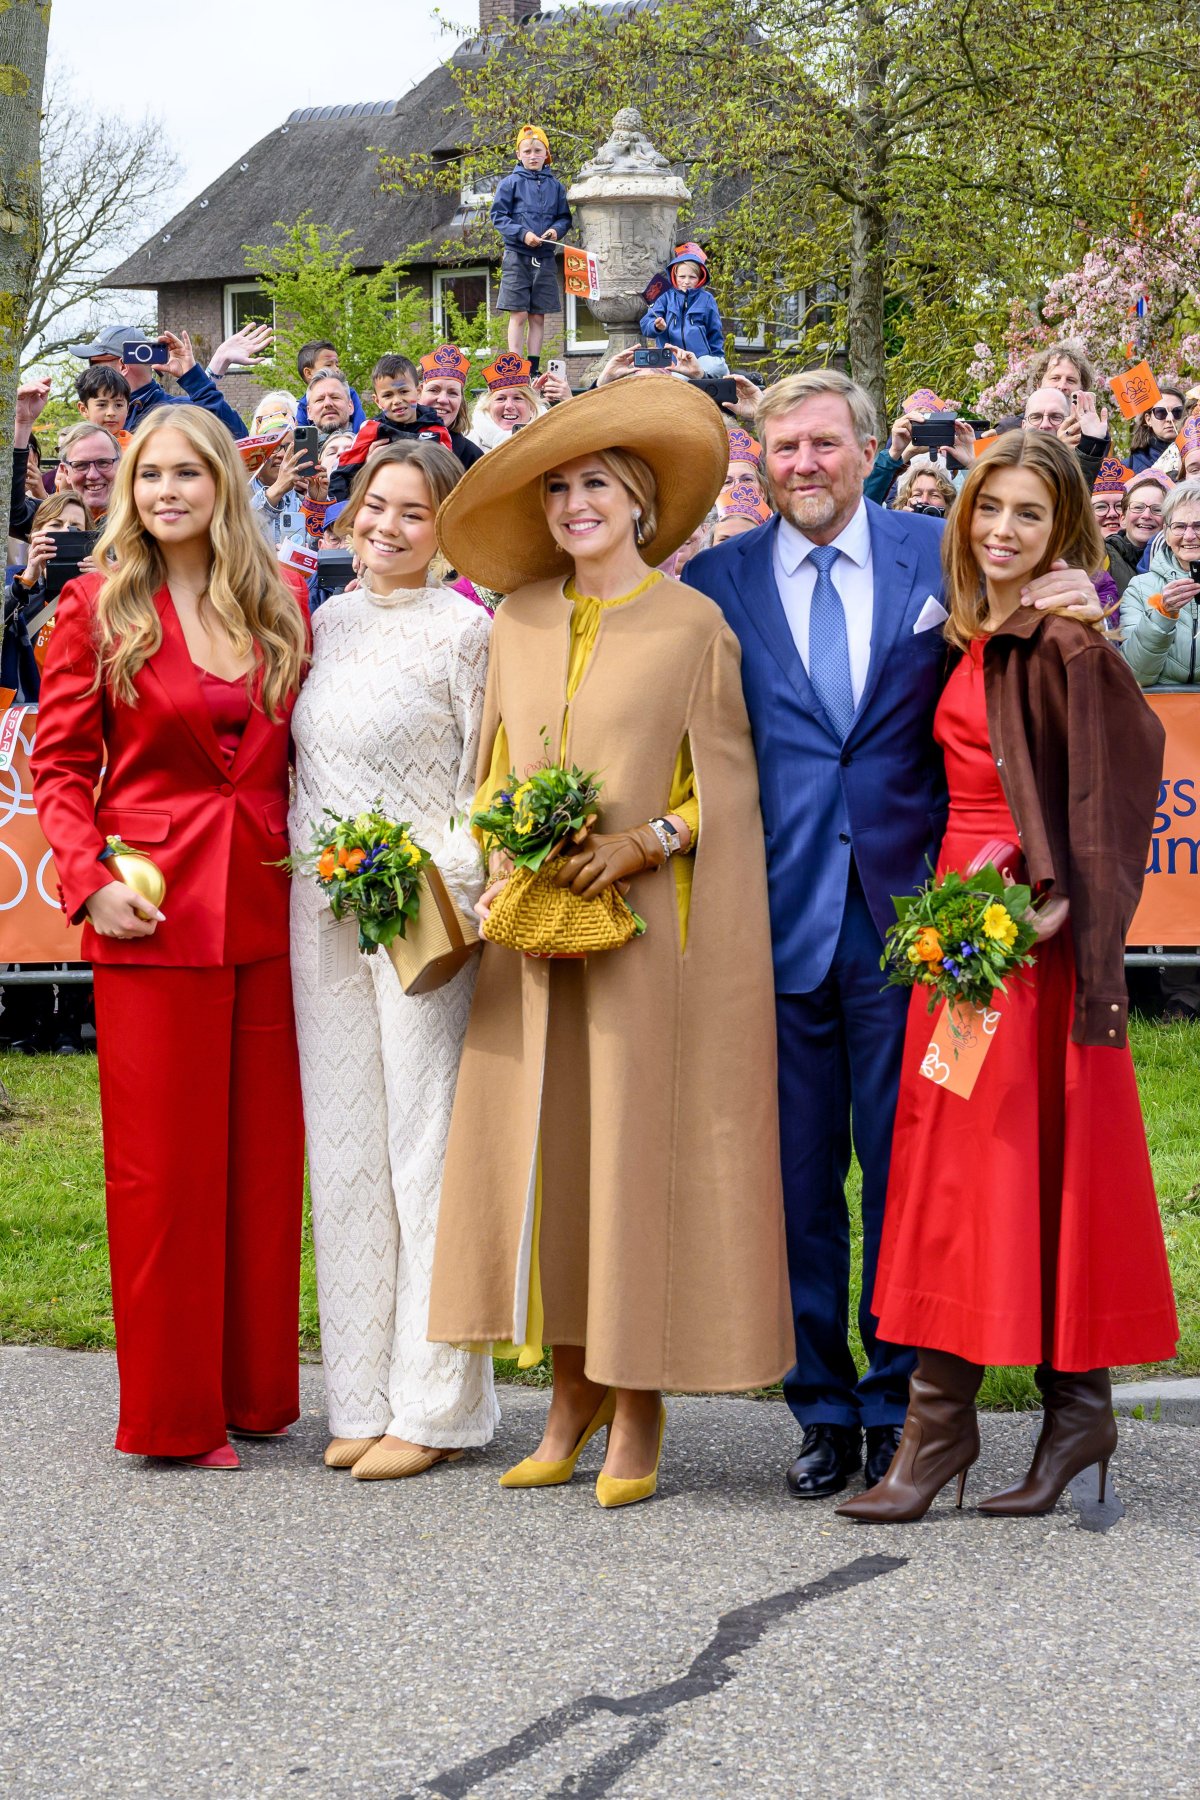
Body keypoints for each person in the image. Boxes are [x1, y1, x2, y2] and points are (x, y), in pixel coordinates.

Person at [685, 370, 1108, 1501]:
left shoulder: (945, 556)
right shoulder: (719, 582)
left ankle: (903, 1408)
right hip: (773, 931)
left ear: (869, 449)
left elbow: (1027, 652)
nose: (804, 464)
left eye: (825, 443)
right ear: (760, 460)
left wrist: (1079, 597)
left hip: (917, 939)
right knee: (797, 1185)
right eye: (783, 448)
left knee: (911, 1177)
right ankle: (821, 1404)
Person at [428, 378, 792, 1509]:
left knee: (632, 1161)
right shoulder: (521, 621)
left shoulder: (694, 627)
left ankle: (639, 1403)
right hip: (532, 944)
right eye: (559, 488)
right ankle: (570, 1393)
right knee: (553, 1161)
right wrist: (504, 855)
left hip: (643, 947)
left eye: (596, 484)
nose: (576, 504)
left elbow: (725, 792)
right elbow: (490, 769)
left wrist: (643, 841)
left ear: (638, 501)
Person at [839, 431, 1176, 1523]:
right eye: (989, 510)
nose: (1002, 532)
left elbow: (1118, 793)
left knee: (1004, 1165)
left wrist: (1057, 908)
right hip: (959, 938)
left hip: (1018, 947)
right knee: (959, 1169)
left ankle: (1026, 1418)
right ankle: (978, 1423)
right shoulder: (974, 635)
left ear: (1064, 529)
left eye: (1029, 515)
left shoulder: (1071, 644)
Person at [30, 405, 310, 1470]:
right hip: (148, 915)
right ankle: (172, 1418)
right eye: (150, 477)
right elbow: (59, 770)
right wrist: (87, 879)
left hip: (273, 912)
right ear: (127, 491)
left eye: (189, 474)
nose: (168, 493)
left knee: (259, 1168)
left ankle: (251, 1396)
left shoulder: (283, 600)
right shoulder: (96, 606)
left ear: (223, 486)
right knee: (162, 1177)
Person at [289, 441, 498, 1480]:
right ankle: (359, 1393)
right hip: (319, 914)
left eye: (414, 514)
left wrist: (424, 872)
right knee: (347, 1149)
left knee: (427, 1151)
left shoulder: (469, 635)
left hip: (423, 917)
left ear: (445, 528)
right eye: (376, 507)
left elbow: (488, 791)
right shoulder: (323, 624)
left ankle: (434, 1402)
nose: (387, 528)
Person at [328, 356, 477, 500]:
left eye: (403, 392)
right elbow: (343, 473)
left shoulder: (436, 430)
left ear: (418, 391)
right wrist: (339, 515)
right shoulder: (371, 429)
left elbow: (449, 480)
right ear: (377, 401)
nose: (397, 401)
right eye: (388, 395)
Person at [67, 326, 247, 440]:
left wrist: (193, 376)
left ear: (122, 365)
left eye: (94, 363)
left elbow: (238, 439)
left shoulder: (175, 412)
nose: (89, 372)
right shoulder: (100, 413)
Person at [490, 124, 572, 373]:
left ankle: (533, 368)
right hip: (517, 255)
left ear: (546, 154)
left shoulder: (556, 186)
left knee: (538, 316)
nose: (532, 155)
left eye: (538, 150)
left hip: (545, 257)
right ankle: (515, 366)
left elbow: (564, 218)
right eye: (527, 151)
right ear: (519, 154)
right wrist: (523, 234)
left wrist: (555, 231)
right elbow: (498, 216)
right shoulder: (509, 184)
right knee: (519, 314)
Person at [1120, 477, 1200, 687]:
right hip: (1163, 712)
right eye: (1179, 526)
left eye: (1199, 526)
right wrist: (1162, 616)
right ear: (1165, 532)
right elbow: (1135, 674)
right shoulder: (1139, 587)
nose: (1189, 536)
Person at [639, 243, 728, 377]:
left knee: (719, 368)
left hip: (701, 360)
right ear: (674, 276)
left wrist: (717, 358)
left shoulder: (707, 299)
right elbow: (646, 325)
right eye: (682, 277)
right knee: (679, 378)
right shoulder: (664, 296)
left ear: (700, 278)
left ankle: (703, 375)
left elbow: (714, 332)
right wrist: (656, 326)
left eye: (692, 277)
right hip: (671, 361)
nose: (686, 281)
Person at [419, 343, 485, 467]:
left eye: (452, 393)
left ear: (460, 401)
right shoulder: (387, 440)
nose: (443, 399)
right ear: (418, 393)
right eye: (434, 390)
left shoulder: (473, 457)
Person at [467, 354, 547, 452]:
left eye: (518, 398)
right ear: (488, 406)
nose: (509, 406)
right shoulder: (469, 444)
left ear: (531, 407)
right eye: (501, 399)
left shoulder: (549, 441)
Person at [294, 341, 367, 433]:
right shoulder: (302, 405)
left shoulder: (349, 393)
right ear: (308, 373)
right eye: (328, 365)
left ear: (350, 405)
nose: (336, 369)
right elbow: (302, 434)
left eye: (335, 397)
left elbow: (360, 426)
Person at [57, 423, 121, 522]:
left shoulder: (144, 522)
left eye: (103, 463)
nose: (93, 475)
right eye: (81, 465)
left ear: (121, 465)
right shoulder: (51, 527)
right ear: (66, 472)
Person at [1130, 382, 1187, 472]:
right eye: (1161, 412)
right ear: (1148, 419)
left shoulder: (1195, 456)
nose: (1170, 418)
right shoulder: (1130, 466)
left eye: (1177, 412)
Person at [75, 365, 131, 443]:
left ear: (127, 408)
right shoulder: (76, 446)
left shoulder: (139, 448)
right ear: (84, 409)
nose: (111, 413)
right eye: (102, 405)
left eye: (118, 405)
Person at [1026, 339, 1099, 397]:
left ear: (1082, 389)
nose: (1062, 386)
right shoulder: (1025, 416)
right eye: (1055, 378)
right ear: (1038, 385)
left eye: (1071, 380)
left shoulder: (1092, 416)